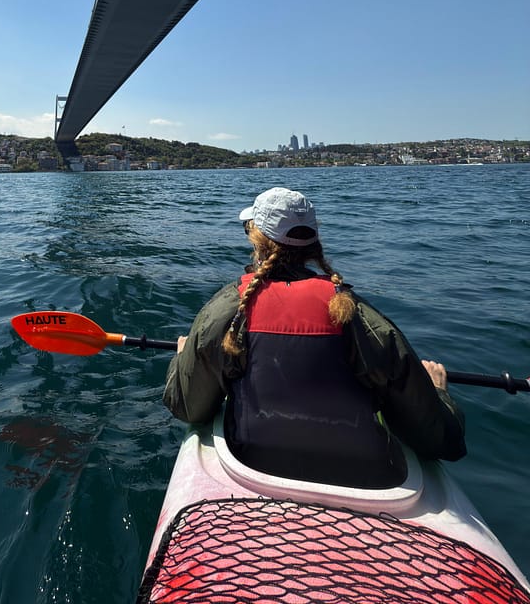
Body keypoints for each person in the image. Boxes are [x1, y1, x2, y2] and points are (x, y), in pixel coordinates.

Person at [163, 187, 466, 489]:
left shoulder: (225, 313)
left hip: (251, 472)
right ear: (312, 245)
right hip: (360, 482)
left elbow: (186, 407)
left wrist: (183, 359)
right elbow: (439, 440)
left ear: (256, 240)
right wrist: (438, 393)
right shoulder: (358, 316)